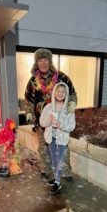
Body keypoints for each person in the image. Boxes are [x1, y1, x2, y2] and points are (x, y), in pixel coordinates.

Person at [25, 48, 77, 181]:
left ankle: (66, 172)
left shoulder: (62, 77)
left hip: (61, 119)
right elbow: (28, 100)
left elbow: (72, 94)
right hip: (42, 121)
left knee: (63, 146)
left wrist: (72, 104)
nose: (43, 63)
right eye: (40, 60)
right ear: (36, 63)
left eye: (45, 60)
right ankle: (45, 169)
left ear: (50, 61)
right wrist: (30, 113)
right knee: (43, 147)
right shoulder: (32, 81)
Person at [39, 82, 76, 194]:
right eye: (58, 91)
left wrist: (61, 125)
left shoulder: (69, 110)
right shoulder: (48, 107)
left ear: (66, 94)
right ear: (54, 92)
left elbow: (72, 126)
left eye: (63, 92)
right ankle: (56, 178)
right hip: (51, 138)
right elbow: (42, 122)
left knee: (58, 161)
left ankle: (57, 183)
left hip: (62, 139)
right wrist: (48, 121)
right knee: (54, 161)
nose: (60, 94)